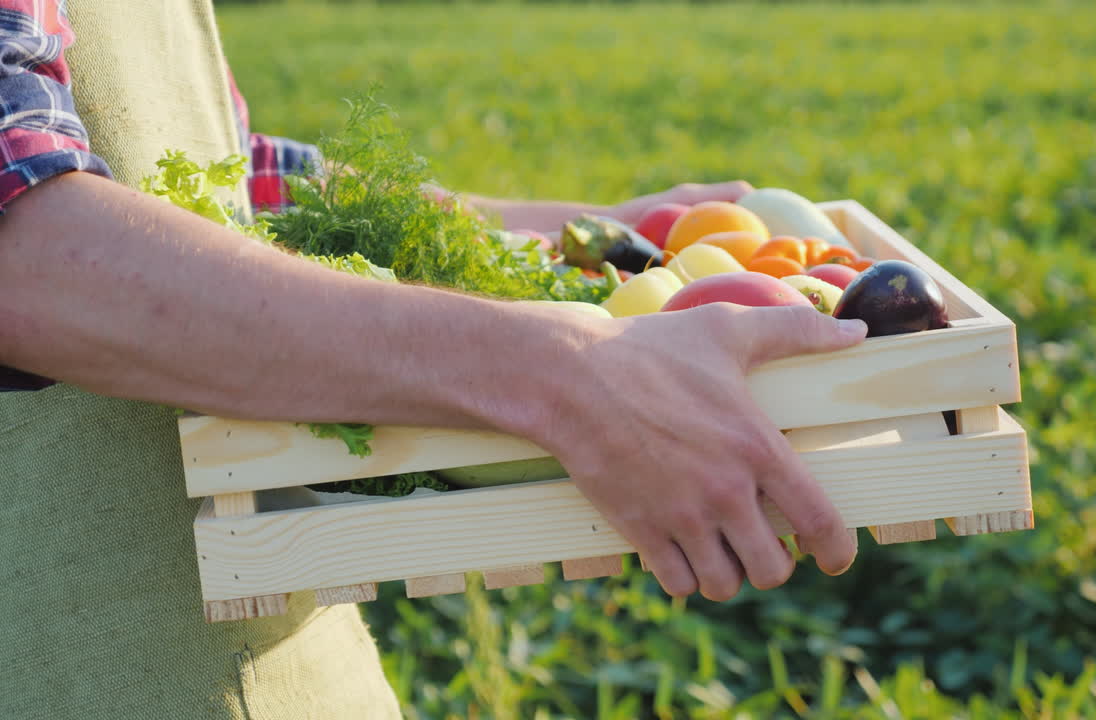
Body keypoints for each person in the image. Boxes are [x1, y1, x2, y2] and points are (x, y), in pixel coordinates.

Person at [0, 1, 866, 717]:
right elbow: (25, 254)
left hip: (287, 668)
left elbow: (235, 179)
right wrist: (561, 373)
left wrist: (570, 235)